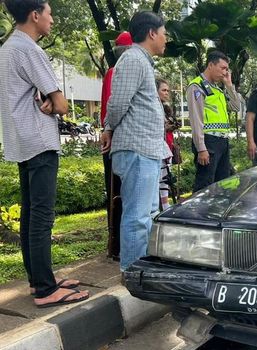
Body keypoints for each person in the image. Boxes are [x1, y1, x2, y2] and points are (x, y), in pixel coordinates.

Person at [0, 0, 89, 307]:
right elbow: (62, 104)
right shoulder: (29, 49)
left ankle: (39, 279)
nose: (52, 20)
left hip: (21, 141)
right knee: (41, 216)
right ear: (35, 15)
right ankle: (45, 288)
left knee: (30, 214)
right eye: (50, 14)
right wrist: (53, 102)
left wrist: (47, 99)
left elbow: (37, 96)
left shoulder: (8, 48)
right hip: (39, 140)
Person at [100, 11, 170, 272]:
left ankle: (142, 269)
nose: (166, 39)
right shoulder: (132, 60)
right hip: (137, 150)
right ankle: (131, 273)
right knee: (138, 217)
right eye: (164, 34)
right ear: (151, 33)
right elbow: (116, 104)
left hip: (146, 151)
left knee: (148, 214)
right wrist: (109, 127)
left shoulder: (142, 61)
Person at [186, 51, 241, 192]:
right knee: (204, 185)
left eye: (227, 69)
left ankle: (215, 213)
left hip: (222, 141)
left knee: (223, 184)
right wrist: (201, 148)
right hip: (208, 142)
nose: (225, 72)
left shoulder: (217, 90)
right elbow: (196, 119)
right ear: (211, 65)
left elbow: (236, 107)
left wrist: (229, 85)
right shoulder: (197, 87)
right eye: (223, 68)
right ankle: (198, 214)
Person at [100, 31, 133, 261]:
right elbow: (115, 107)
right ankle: (117, 244)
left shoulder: (116, 71)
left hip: (117, 140)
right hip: (117, 141)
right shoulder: (117, 71)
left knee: (121, 194)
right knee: (118, 195)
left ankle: (119, 243)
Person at [156, 78, 179, 210]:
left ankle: (165, 204)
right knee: (158, 178)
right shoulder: (153, 107)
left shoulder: (165, 109)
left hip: (167, 147)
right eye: (163, 90)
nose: (166, 93)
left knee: (165, 177)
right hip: (157, 148)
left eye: (167, 91)